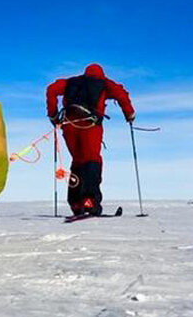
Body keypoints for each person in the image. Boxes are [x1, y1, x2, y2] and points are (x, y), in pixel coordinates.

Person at [46, 63, 135, 216]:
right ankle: (90, 201)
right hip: (90, 126)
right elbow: (121, 94)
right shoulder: (105, 83)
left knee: (77, 162)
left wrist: (53, 115)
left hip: (69, 126)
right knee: (92, 160)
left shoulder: (70, 82)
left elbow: (51, 89)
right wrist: (129, 114)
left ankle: (75, 203)